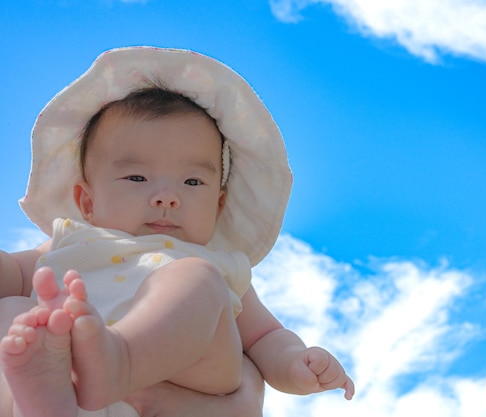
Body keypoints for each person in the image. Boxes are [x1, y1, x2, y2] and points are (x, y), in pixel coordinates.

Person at [0, 47, 355, 417]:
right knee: (13, 311)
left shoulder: (214, 264)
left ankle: (121, 359)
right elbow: (12, 273)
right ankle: (31, 404)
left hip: (185, 379)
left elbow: (265, 337)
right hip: (71, 387)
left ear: (218, 206)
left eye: (192, 181)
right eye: (137, 177)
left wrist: (296, 363)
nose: (167, 197)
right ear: (87, 202)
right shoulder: (72, 242)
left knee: (196, 279)